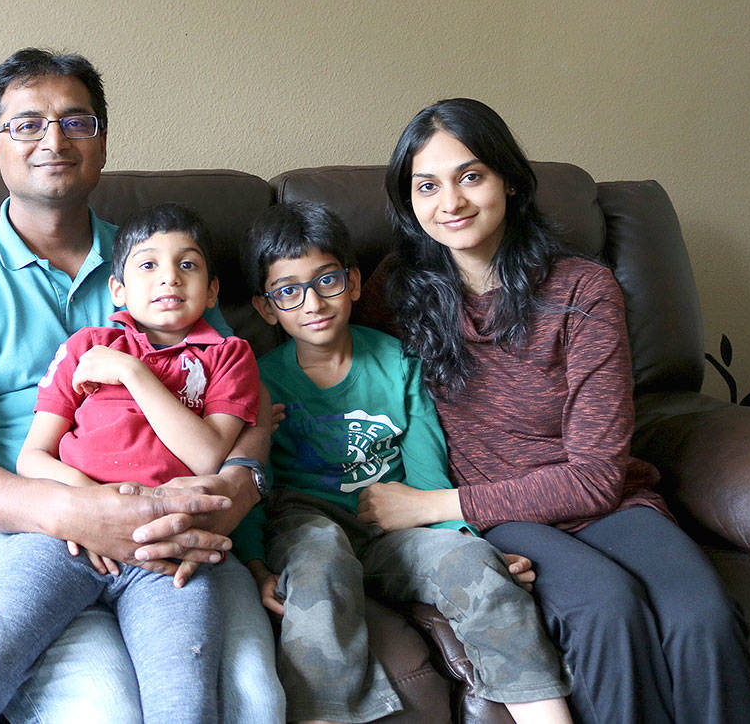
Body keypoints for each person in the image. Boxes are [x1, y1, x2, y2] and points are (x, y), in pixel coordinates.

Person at [0, 48, 283, 722]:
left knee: (251, 697)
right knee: (104, 707)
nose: (55, 140)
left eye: (77, 121)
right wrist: (78, 510)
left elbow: (241, 406)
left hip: (173, 512)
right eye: (27, 124)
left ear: (101, 142)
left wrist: (233, 496)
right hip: (29, 523)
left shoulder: (160, 264)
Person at [354, 97, 750, 724]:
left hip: (604, 502)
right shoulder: (396, 291)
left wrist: (433, 507)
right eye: (426, 186)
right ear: (409, 202)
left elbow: (596, 478)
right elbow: (338, 383)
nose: (450, 202)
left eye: (470, 176)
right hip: (504, 516)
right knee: (603, 606)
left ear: (510, 181)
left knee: (703, 616)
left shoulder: (582, 290)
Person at [0, 203, 260, 723]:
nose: (169, 277)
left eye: (187, 265)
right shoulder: (88, 347)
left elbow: (211, 455)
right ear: (117, 290)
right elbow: (32, 457)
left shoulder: (225, 354)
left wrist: (134, 374)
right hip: (61, 534)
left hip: (168, 543)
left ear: (212, 291)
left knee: (186, 693)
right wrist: (90, 505)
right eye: (148, 265)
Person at [235, 201, 571, 724]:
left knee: (478, 569)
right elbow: (250, 481)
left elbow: (427, 471)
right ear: (265, 308)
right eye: (288, 291)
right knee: (322, 561)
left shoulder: (400, 361)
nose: (312, 303)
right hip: (305, 524)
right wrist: (255, 565)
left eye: (327, 280)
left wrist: (467, 544)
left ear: (353, 282)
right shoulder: (258, 379)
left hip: (392, 527)